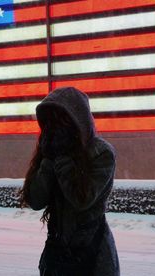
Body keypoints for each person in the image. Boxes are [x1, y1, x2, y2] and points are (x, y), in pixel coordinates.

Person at [20, 87, 120, 276]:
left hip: (93, 257)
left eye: (61, 120)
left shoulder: (101, 153)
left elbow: (82, 199)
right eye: (50, 122)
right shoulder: (50, 150)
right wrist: (48, 161)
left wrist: (62, 160)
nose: (55, 128)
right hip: (57, 255)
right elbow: (35, 199)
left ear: (77, 121)